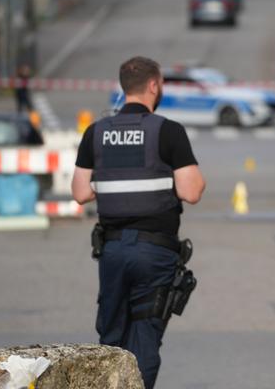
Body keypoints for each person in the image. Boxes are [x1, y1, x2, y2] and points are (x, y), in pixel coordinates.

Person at [71, 56, 206, 389]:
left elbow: (79, 193)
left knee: (112, 339)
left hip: (113, 251)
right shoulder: (168, 132)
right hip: (154, 253)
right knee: (144, 340)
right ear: (153, 85)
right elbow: (191, 192)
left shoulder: (96, 132)